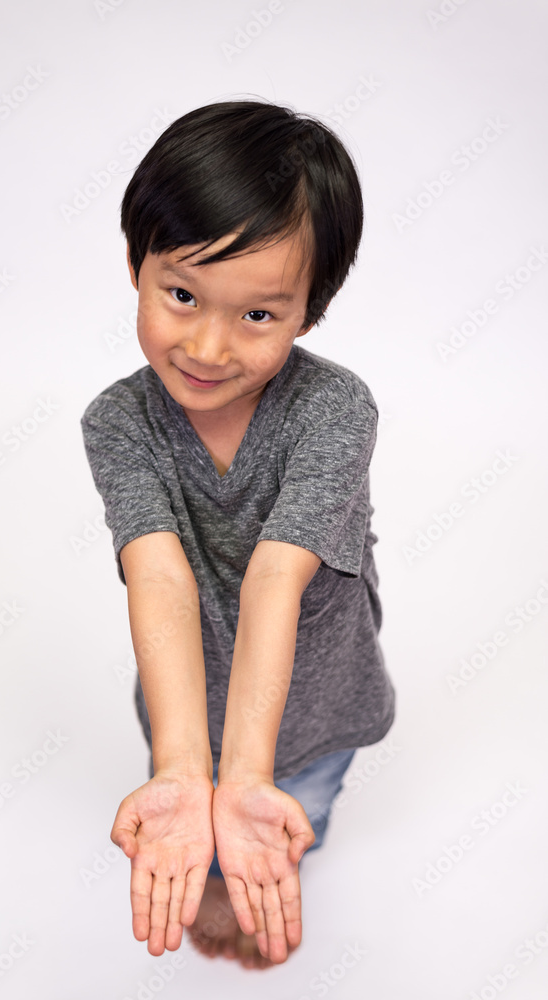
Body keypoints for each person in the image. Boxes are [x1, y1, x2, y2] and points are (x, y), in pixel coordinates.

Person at [80, 98, 396, 970]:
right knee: (196, 797)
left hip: (317, 696)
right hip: (187, 693)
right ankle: (214, 825)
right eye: (180, 294)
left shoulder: (334, 411)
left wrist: (247, 778)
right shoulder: (118, 422)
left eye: (257, 315)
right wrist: (186, 764)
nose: (209, 346)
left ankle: (265, 843)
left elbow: (271, 578)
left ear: (309, 310)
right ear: (136, 266)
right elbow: (160, 577)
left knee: (299, 804)